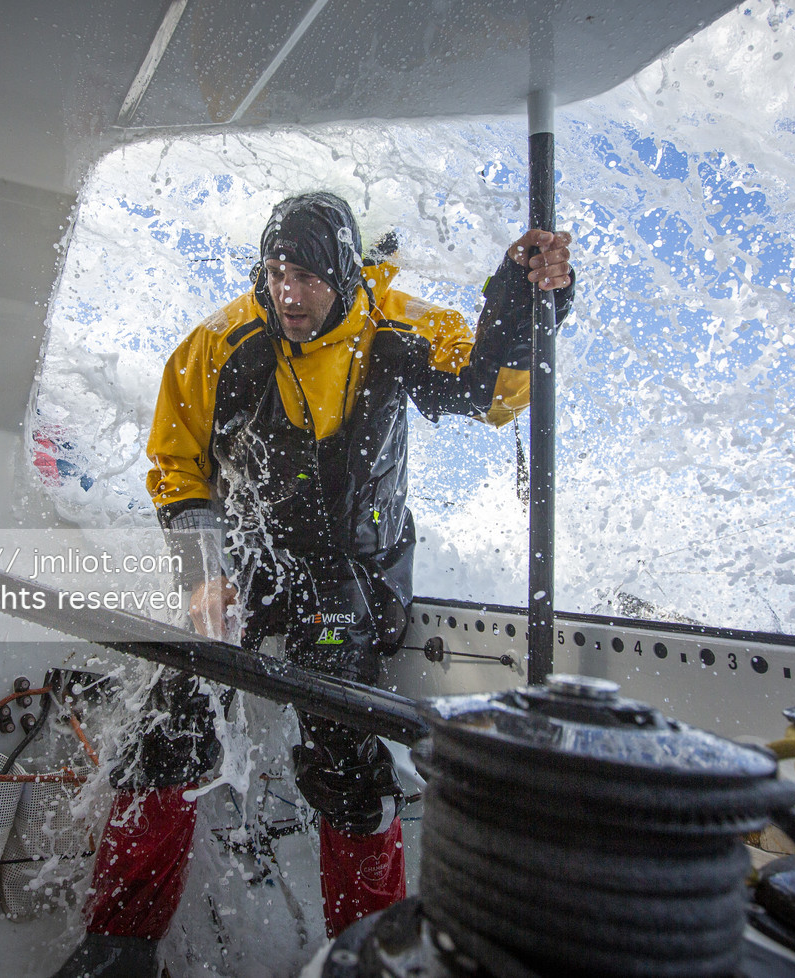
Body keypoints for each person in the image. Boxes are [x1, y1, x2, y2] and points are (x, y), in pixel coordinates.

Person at [53, 192, 574, 976]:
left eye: (308, 278)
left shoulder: (393, 324)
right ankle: (118, 948)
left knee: (345, 748)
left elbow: (490, 391)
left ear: (346, 274)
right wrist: (202, 574)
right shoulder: (223, 341)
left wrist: (529, 298)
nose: (290, 295)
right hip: (249, 561)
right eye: (277, 273)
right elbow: (177, 464)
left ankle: (365, 956)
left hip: (357, 572)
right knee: (170, 725)